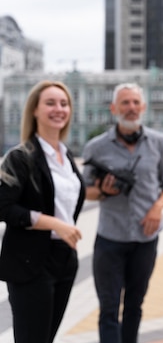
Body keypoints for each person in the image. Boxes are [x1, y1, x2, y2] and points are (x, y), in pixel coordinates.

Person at [82, 82, 163, 343]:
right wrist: (103, 191)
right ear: (114, 108)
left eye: (136, 102)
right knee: (109, 308)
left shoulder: (158, 143)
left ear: (143, 107)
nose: (131, 108)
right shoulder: (96, 147)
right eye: (125, 102)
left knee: (135, 306)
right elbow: (85, 191)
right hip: (110, 238)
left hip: (145, 239)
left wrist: (158, 208)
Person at [0, 80, 86, 343]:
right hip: (30, 262)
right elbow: (4, 207)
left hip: (64, 260)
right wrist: (54, 223)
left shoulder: (65, 156)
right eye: (50, 103)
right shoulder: (20, 156)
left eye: (64, 103)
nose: (58, 109)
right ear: (34, 110)